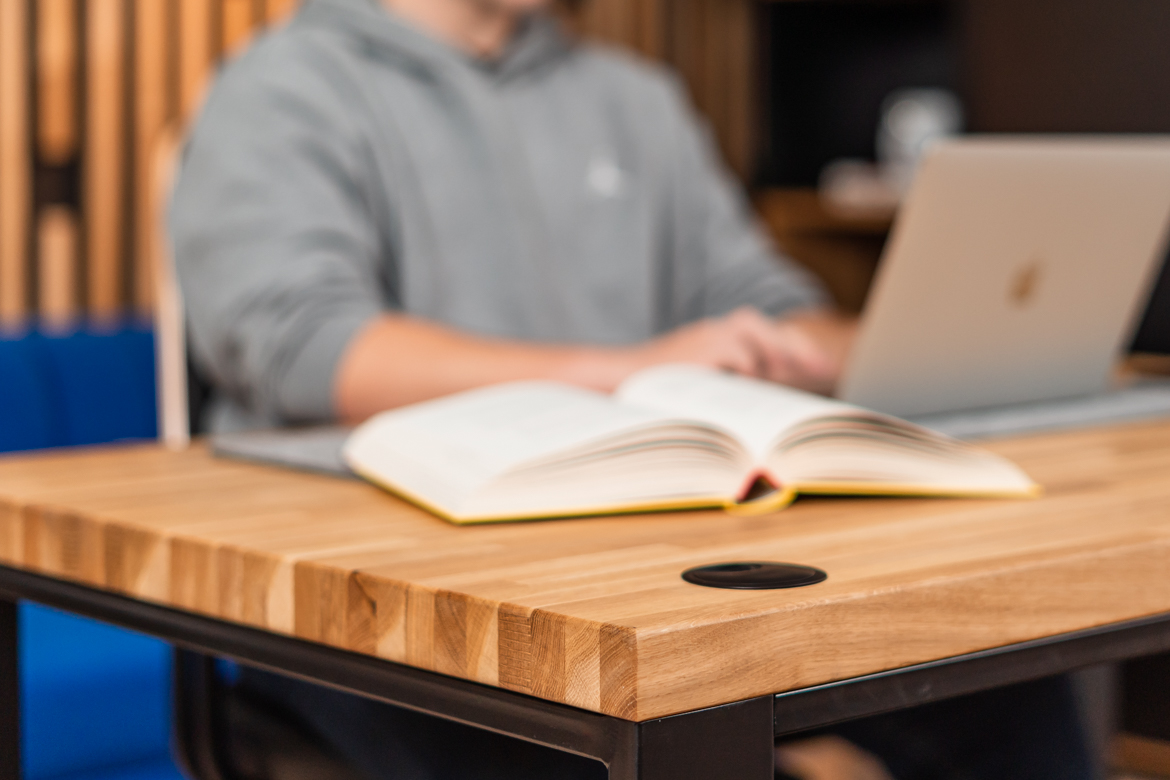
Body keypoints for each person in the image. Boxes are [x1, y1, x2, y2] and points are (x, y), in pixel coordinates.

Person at [171, 0, 1094, 778]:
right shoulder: (282, 89)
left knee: (1008, 683)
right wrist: (640, 369)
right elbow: (305, 347)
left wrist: (855, 346)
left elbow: (764, 300)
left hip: (662, 579)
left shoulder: (635, 99)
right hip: (384, 609)